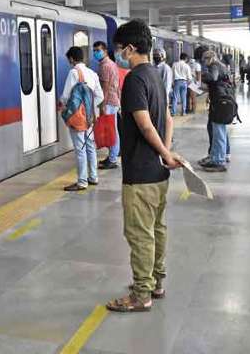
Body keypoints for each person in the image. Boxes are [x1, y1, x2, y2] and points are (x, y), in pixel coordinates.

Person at [105, 19, 180, 313]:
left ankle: (141, 294)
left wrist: (163, 151)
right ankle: (156, 283)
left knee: (139, 234)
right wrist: (166, 154)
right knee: (157, 229)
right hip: (159, 173)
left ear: (131, 48)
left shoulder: (135, 79)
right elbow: (168, 119)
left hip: (140, 173)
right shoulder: (156, 74)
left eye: (120, 49)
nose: (118, 54)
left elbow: (146, 126)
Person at [59, 47, 104, 192]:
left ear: (72, 59)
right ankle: (93, 176)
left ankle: (82, 181)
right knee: (90, 145)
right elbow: (100, 96)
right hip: (90, 116)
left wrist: (66, 108)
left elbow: (66, 96)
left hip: (78, 117)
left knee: (80, 148)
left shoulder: (73, 73)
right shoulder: (92, 73)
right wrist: (89, 108)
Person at [199, 51, 232, 172]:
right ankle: (219, 155)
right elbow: (217, 82)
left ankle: (218, 161)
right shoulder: (222, 66)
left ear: (212, 58)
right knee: (219, 129)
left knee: (218, 130)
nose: (204, 62)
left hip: (219, 102)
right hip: (222, 100)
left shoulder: (214, 66)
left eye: (206, 59)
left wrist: (201, 76)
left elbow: (212, 77)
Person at [94, 41, 121, 170]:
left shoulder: (105, 66)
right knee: (112, 129)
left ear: (105, 51)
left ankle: (113, 159)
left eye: (98, 50)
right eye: (94, 50)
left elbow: (105, 86)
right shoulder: (112, 64)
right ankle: (112, 156)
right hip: (113, 100)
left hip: (108, 101)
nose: (95, 53)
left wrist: (102, 104)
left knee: (112, 131)